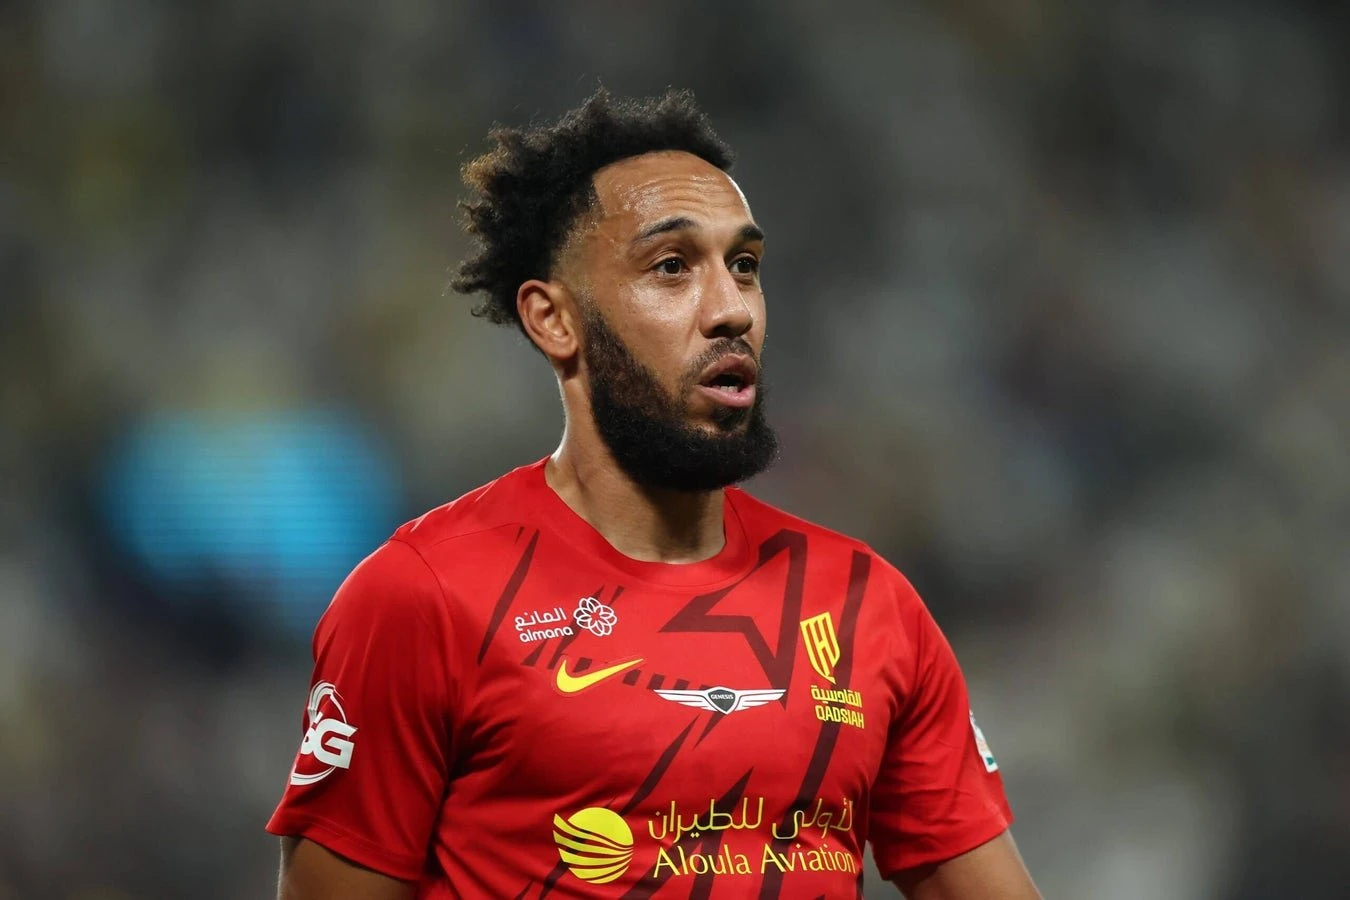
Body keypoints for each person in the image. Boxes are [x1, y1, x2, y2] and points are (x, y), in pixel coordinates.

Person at [268, 88, 1042, 900]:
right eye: (671, 267)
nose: (732, 310)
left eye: (744, 267)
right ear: (553, 320)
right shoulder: (424, 597)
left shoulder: (868, 606)